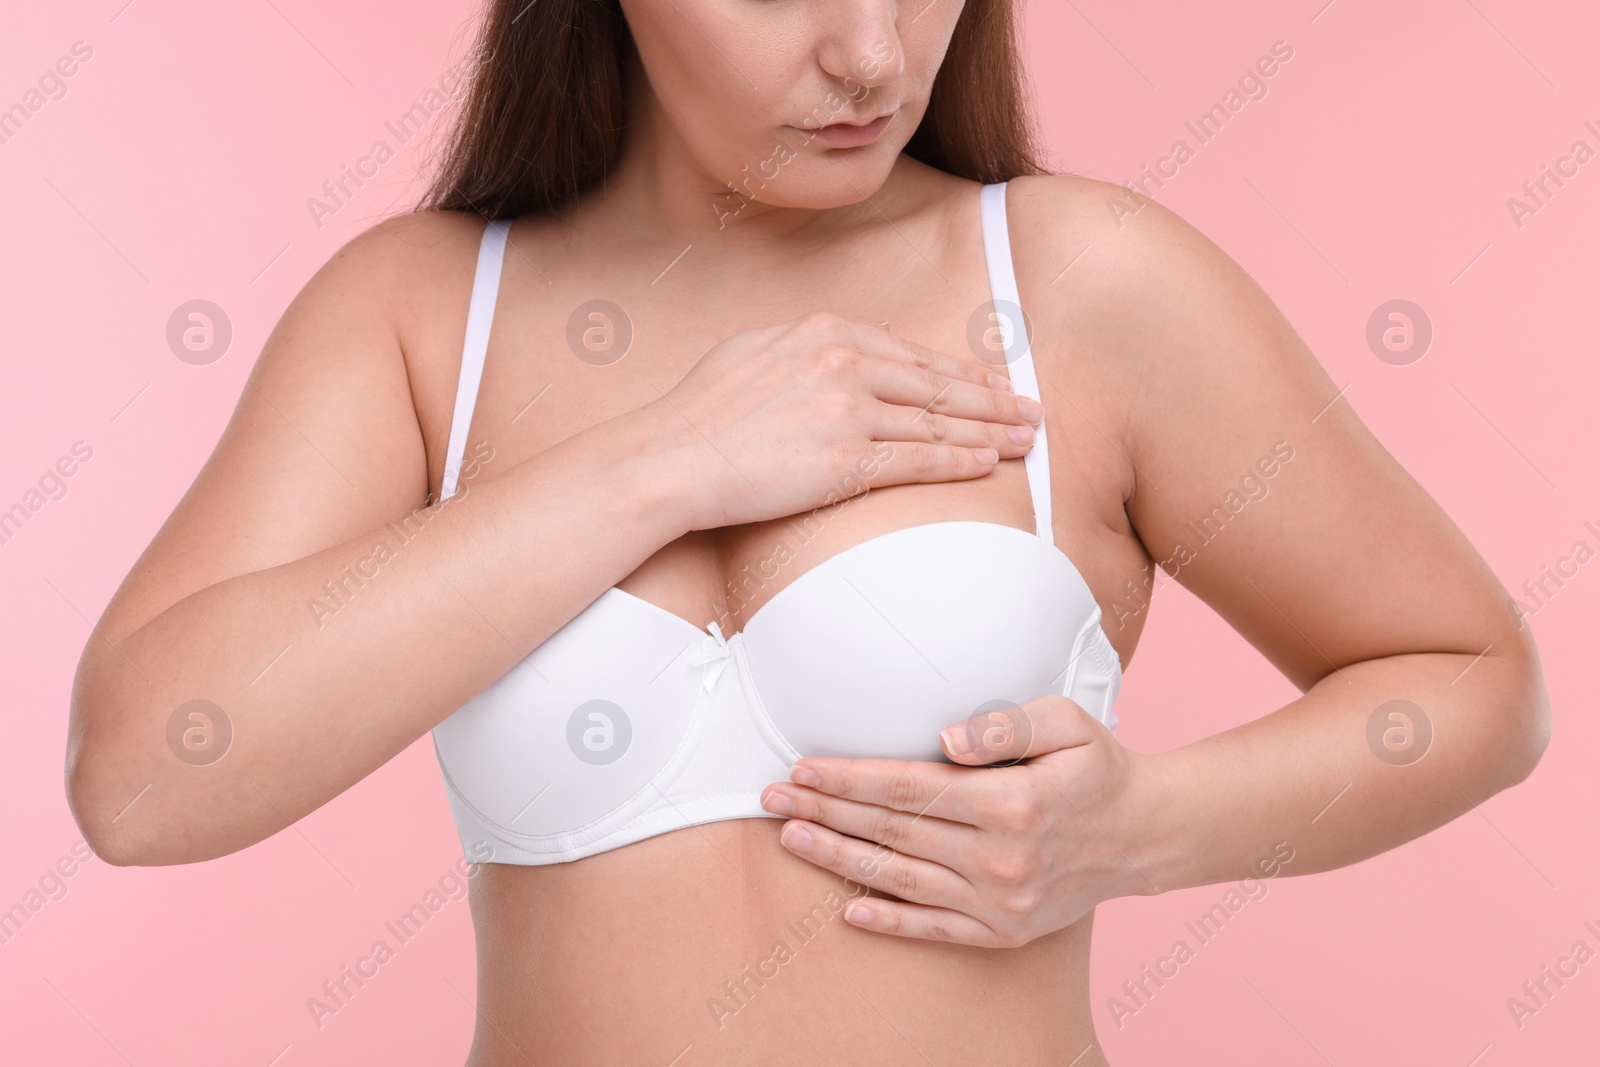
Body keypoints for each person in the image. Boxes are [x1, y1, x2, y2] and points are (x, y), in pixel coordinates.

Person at [65, 1, 1550, 1063]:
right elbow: (143, 783)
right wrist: (662, 460)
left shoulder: (1082, 286)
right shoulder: (416, 313)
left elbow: (1474, 679)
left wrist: (1142, 832)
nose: (874, 55)